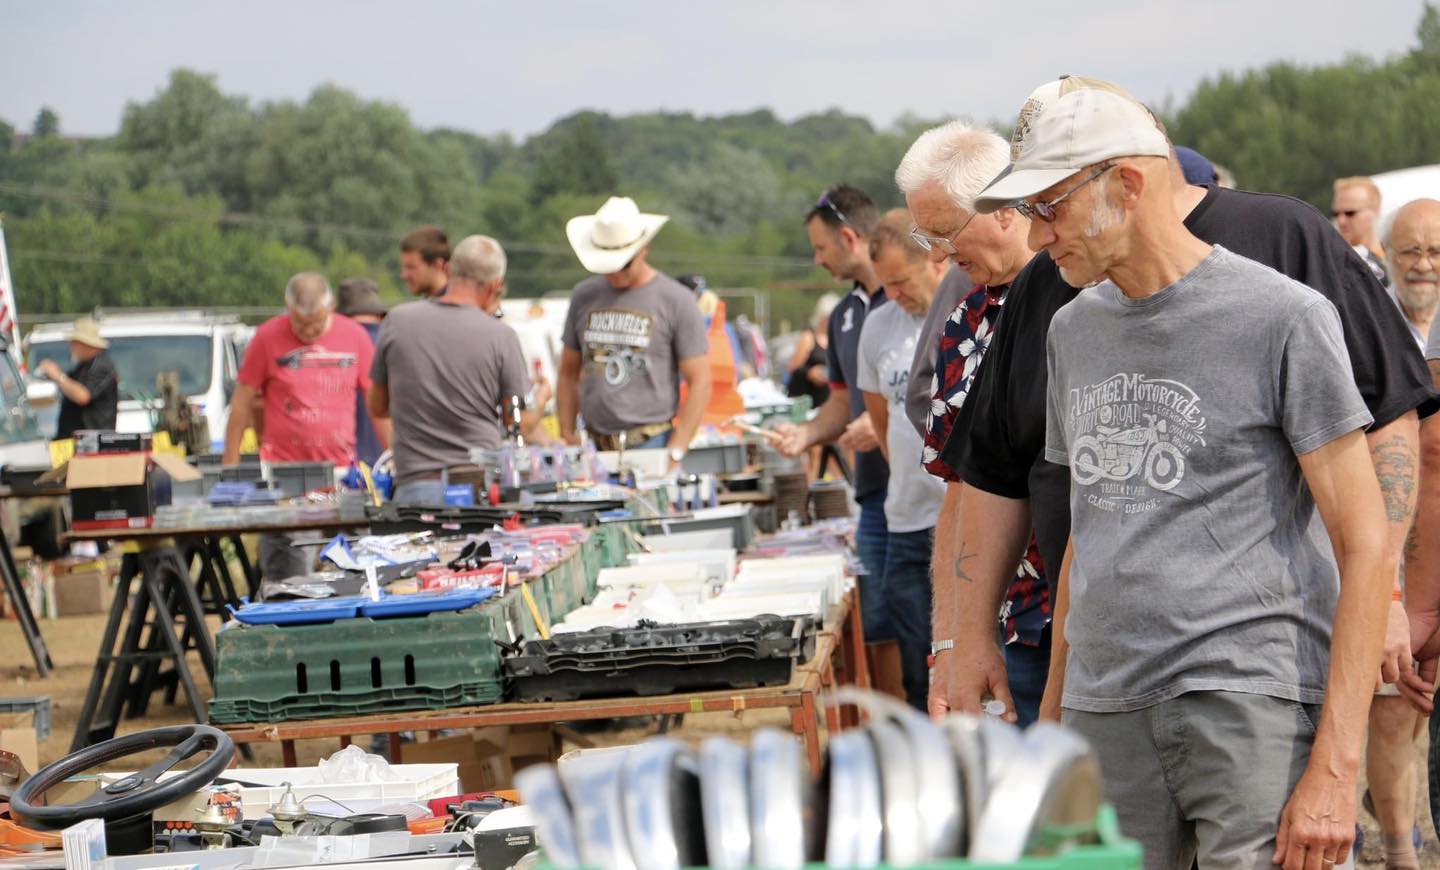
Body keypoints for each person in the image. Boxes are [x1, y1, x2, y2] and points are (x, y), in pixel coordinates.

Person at [967, 82, 1400, 870]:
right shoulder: (1071, 329)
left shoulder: (1283, 316)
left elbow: (1365, 544)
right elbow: (1087, 538)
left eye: (1050, 206)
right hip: (1106, 710)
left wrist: (1337, 770)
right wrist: (1059, 727)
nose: (1036, 236)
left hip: (1250, 704)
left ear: (1127, 184)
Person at [894, 119, 1053, 726]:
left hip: (1099, 631)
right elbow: (960, 492)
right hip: (1013, 627)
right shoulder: (967, 321)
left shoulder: (1090, 297)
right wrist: (950, 643)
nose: (936, 254)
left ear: (1007, 210)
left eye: (944, 231)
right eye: (923, 234)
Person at [772, 185, 902, 698]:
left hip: (929, 492)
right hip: (873, 497)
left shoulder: (916, 293)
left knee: (932, 623)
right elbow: (842, 402)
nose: (817, 258)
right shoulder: (844, 315)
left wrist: (888, 419)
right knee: (880, 623)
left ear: (850, 238)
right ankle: (897, 731)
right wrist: (806, 434)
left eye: (822, 247)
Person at [224, 273, 380, 580]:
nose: (308, 332)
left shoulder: (355, 337)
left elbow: (378, 406)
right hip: (286, 481)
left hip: (342, 478)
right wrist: (230, 466)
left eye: (316, 323)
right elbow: (241, 403)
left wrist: (393, 459)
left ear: (331, 306)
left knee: (358, 575)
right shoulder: (267, 338)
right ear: (287, 307)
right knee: (288, 582)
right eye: (300, 324)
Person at [856, 209, 949, 711]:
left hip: (964, 520)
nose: (893, 293)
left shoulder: (966, 313)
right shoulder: (877, 328)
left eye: (900, 281)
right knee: (919, 671)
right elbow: (882, 420)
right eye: (884, 284)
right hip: (908, 523)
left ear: (934, 260)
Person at [369, 236, 534, 506]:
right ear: (495, 286)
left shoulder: (397, 321)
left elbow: (377, 406)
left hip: (416, 485)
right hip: (476, 487)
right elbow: (516, 422)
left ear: (450, 271)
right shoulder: (501, 336)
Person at [557, 196, 711, 468]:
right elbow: (568, 371)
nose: (615, 274)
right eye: (607, 265)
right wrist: (568, 433)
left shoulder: (675, 300)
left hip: (652, 441)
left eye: (624, 264)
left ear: (643, 249)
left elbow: (700, 379)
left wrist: (677, 449)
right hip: (594, 445)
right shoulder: (584, 296)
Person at [675, 274, 747, 428]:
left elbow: (736, 369)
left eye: (699, 295)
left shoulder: (721, 327)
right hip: (687, 410)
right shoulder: (672, 324)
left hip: (709, 411)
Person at [336, 278, 388, 468]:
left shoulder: (330, 346)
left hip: (341, 469)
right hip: (390, 463)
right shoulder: (396, 343)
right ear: (379, 314)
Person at [40, 317, 118, 439]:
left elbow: (83, 396)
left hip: (92, 444)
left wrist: (58, 376)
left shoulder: (102, 366)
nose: (71, 346)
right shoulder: (83, 366)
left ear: (87, 344)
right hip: (78, 441)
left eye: (75, 343)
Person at [1333, 176, 1391, 289]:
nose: (1341, 221)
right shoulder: (1332, 263)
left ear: (1375, 211)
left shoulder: (1395, 261)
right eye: (1336, 214)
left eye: (1350, 213)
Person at [786, 293, 837, 410]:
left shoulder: (838, 338)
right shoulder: (808, 337)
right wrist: (810, 373)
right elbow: (793, 368)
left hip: (829, 401)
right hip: (808, 399)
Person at [399, 225, 450, 298]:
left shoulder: (460, 306)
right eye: (404, 267)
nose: (404, 275)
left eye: (411, 267)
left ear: (438, 265)